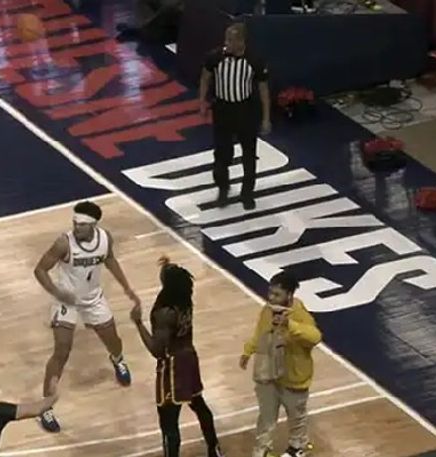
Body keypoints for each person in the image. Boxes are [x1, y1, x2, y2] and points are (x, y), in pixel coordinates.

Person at [33, 200, 140, 433]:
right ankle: (46, 407)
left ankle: (118, 360)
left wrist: (126, 287)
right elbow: (40, 270)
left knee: (115, 342)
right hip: (67, 300)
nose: (75, 228)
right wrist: (56, 291)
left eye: (80, 225)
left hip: (93, 298)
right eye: (74, 223)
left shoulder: (104, 239)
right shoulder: (64, 243)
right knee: (61, 351)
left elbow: (109, 259)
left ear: (93, 225)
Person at [130, 256, 224, 457]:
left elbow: (156, 350)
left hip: (172, 367)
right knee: (199, 406)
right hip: (189, 358)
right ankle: (214, 449)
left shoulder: (165, 312)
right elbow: (173, 276)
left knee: (168, 421)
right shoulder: (184, 300)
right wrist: (167, 265)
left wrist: (138, 323)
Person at [239, 272, 322, 457]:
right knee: (266, 417)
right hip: (268, 373)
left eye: (277, 294)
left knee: (296, 418)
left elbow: (315, 337)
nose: (271, 297)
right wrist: (248, 350)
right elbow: (260, 333)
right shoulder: (268, 310)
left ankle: (297, 447)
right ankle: (262, 450)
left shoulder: (299, 313)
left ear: (289, 296)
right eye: (271, 293)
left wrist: (290, 325)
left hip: (293, 377)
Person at [198, 22, 271, 210]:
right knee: (221, 154)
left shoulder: (254, 60)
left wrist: (265, 118)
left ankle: (247, 194)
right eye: (226, 39)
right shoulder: (215, 57)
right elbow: (205, 77)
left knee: (249, 155)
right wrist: (202, 102)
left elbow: (263, 90)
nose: (226, 43)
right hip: (222, 110)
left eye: (231, 40)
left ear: (241, 42)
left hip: (246, 111)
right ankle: (223, 187)